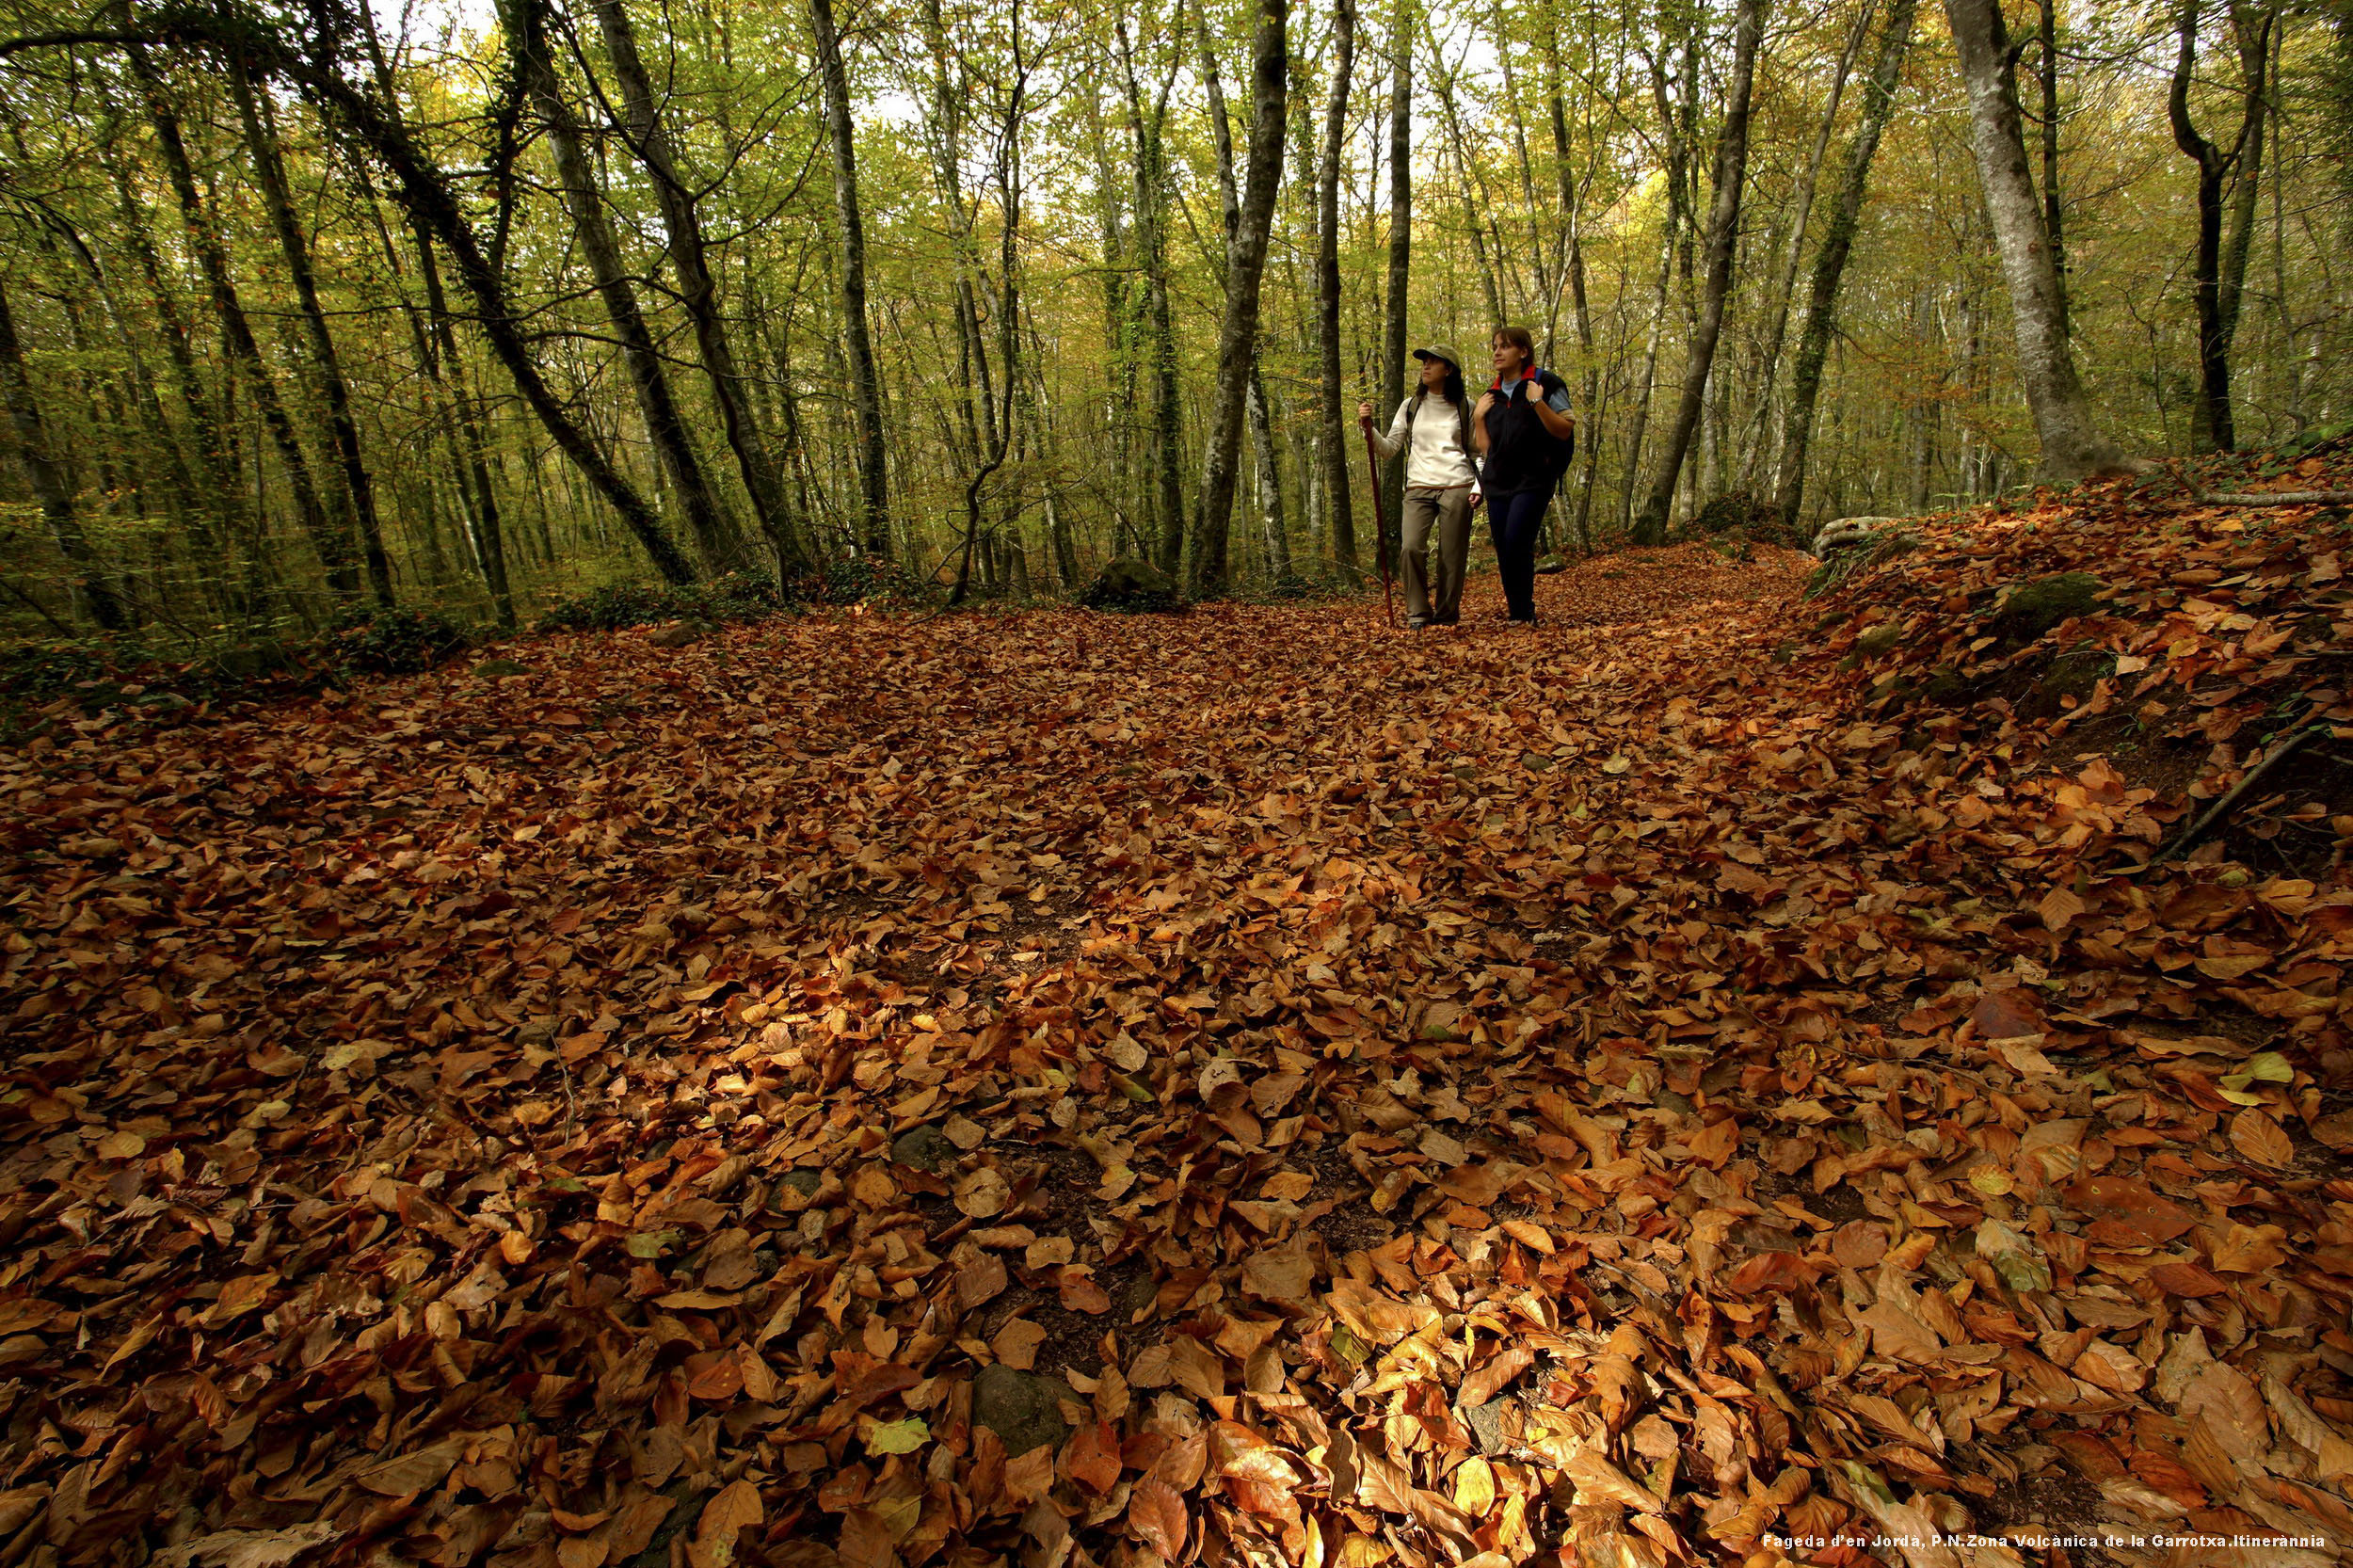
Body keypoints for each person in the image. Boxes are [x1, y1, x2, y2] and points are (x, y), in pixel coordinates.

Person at [1360, 344, 1481, 629]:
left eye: (1432, 363)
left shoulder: (1467, 406)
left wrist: (1479, 485)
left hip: (1458, 485)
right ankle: (1418, 613)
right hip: (1417, 488)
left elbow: (1478, 453)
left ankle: (1446, 615)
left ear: (1449, 370)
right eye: (1424, 362)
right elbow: (1389, 448)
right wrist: (1368, 427)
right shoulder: (1410, 405)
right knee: (1411, 548)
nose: (1425, 367)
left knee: (1451, 555)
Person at [1473, 326, 1576, 624]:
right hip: (1498, 481)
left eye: (1504, 346)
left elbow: (1564, 428)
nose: (1497, 352)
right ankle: (1518, 613)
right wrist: (1479, 417)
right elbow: (1484, 447)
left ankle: (1524, 611)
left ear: (1523, 351)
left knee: (1517, 540)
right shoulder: (1489, 395)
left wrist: (1537, 402)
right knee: (1505, 548)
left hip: (1534, 478)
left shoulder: (1545, 383)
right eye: (1494, 346)